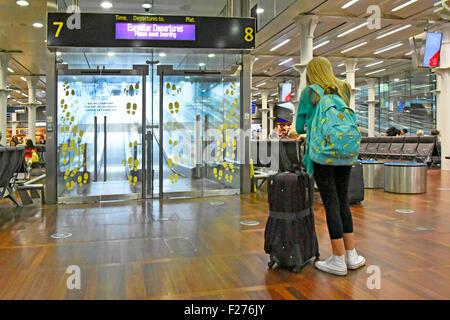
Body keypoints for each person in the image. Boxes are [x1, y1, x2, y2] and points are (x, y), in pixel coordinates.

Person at [295, 57, 365, 276]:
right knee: (343, 201)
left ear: (311, 72)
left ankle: (337, 259)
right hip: (345, 152)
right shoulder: (343, 88)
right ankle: (352, 255)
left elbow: (298, 126)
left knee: (330, 203)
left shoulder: (310, 93)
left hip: (323, 155)